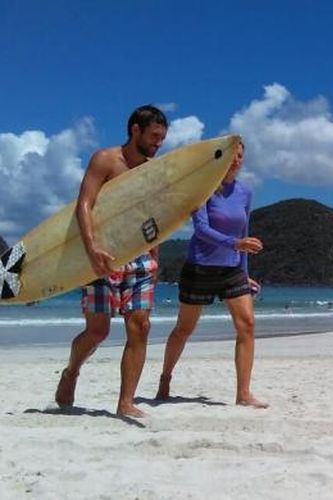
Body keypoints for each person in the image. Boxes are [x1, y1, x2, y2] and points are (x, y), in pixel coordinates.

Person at [54, 105, 168, 418]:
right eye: (154, 136)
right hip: (100, 256)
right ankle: (71, 372)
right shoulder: (105, 159)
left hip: (139, 259)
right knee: (98, 331)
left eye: (162, 138)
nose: (159, 144)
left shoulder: (151, 170)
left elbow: (152, 218)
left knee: (140, 326)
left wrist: (155, 258)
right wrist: (91, 250)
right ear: (135, 130)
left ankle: (125, 402)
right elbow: (84, 205)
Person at [155, 140, 267, 408]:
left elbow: (243, 233)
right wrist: (236, 245)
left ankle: (243, 393)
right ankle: (165, 378)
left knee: (247, 326)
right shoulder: (203, 188)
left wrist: (244, 271)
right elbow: (202, 229)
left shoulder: (245, 193)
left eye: (241, 155)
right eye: (233, 155)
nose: (237, 160)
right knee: (184, 329)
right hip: (200, 267)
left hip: (231, 269)